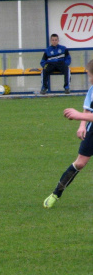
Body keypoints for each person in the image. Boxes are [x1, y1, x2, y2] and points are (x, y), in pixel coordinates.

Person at [43, 59, 93, 208]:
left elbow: (83, 113)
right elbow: (88, 108)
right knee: (80, 163)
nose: (89, 78)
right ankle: (55, 194)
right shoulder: (92, 89)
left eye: (89, 74)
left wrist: (78, 116)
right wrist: (82, 125)